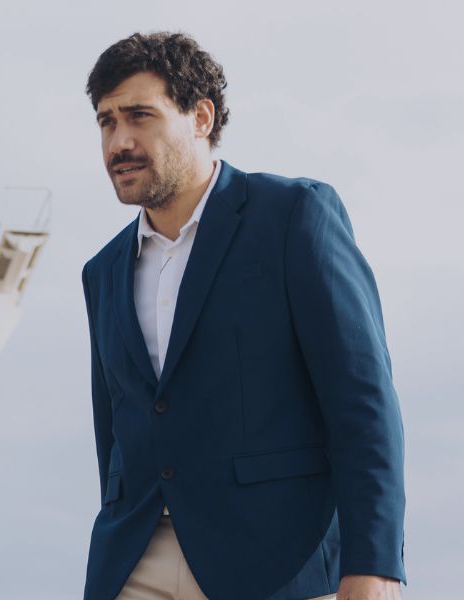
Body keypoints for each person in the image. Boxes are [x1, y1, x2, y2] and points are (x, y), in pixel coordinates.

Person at [79, 32, 406, 600]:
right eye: (107, 122)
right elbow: (116, 432)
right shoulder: (102, 271)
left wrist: (373, 564)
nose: (120, 142)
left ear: (200, 117)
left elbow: (362, 401)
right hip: (134, 563)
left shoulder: (293, 218)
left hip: (274, 560)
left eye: (140, 116)